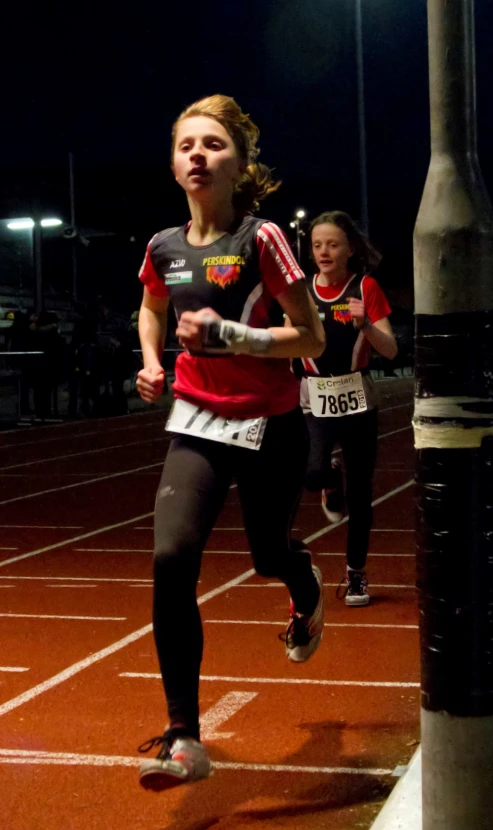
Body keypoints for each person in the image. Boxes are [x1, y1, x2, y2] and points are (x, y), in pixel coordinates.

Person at [135, 94, 326, 792]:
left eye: (212, 144)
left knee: (267, 552)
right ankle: (184, 735)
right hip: (196, 419)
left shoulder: (262, 238)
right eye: (186, 144)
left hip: (269, 422)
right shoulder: (162, 246)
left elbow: (312, 336)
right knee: (170, 554)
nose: (196, 155)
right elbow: (151, 306)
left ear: (239, 164)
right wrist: (152, 361)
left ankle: (302, 583)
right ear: (174, 161)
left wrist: (235, 336)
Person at [296, 211, 397, 607]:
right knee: (311, 471)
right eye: (317, 244)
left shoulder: (365, 287)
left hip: (357, 400)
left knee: (362, 494)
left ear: (350, 249)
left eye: (333, 244)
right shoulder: (301, 290)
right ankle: (328, 478)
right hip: (313, 398)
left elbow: (390, 348)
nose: (324, 251)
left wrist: (367, 326)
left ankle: (356, 573)